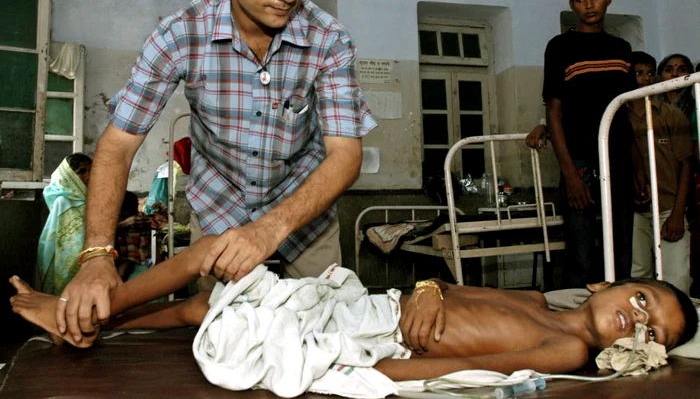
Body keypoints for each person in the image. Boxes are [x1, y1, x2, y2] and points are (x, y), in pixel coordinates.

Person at [57, 0, 376, 344]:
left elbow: (345, 156)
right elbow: (117, 145)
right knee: (218, 339)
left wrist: (270, 228)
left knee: (327, 336)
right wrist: (96, 257)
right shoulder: (180, 35)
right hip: (219, 208)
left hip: (305, 216)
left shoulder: (328, 40)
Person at [9, 232, 698, 381]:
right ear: (610, 282)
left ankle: (84, 317)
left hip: (370, 335)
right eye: (642, 299)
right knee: (209, 295)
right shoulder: (539, 298)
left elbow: (480, 370)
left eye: (650, 329)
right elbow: (450, 287)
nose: (636, 318)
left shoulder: (570, 350)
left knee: (210, 280)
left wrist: (372, 381)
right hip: (381, 302)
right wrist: (428, 291)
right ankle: (96, 321)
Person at [542, 0, 642, 288]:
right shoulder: (560, 47)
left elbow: (628, 112)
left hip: (620, 163)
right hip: (581, 163)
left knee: (621, 253)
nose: (589, 5)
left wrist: (638, 168)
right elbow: (554, 113)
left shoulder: (622, 49)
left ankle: (624, 327)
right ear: (572, 5)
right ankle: (579, 330)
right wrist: (570, 175)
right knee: (582, 258)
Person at [627, 51, 692, 295]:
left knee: (677, 280)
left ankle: (681, 328)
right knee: (637, 277)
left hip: (668, 206)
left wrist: (677, 214)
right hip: (633, 210)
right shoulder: (617, 116)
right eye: (637, 73)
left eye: (649, 73)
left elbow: (686, 164)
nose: (645, 79)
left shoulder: (670, 115)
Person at [37, 153, 92, 295]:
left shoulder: (87, 200)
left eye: (91, 171)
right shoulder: (64, 202)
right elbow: (74, 239)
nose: (89, 176)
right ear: (69, 177)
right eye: (82, 172)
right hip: (70, 264)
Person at [657, 53, 695, 121]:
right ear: (659, 76)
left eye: (682, 70)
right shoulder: (649, 107)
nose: (675, 74)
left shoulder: (696, 107)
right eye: (669, 70)